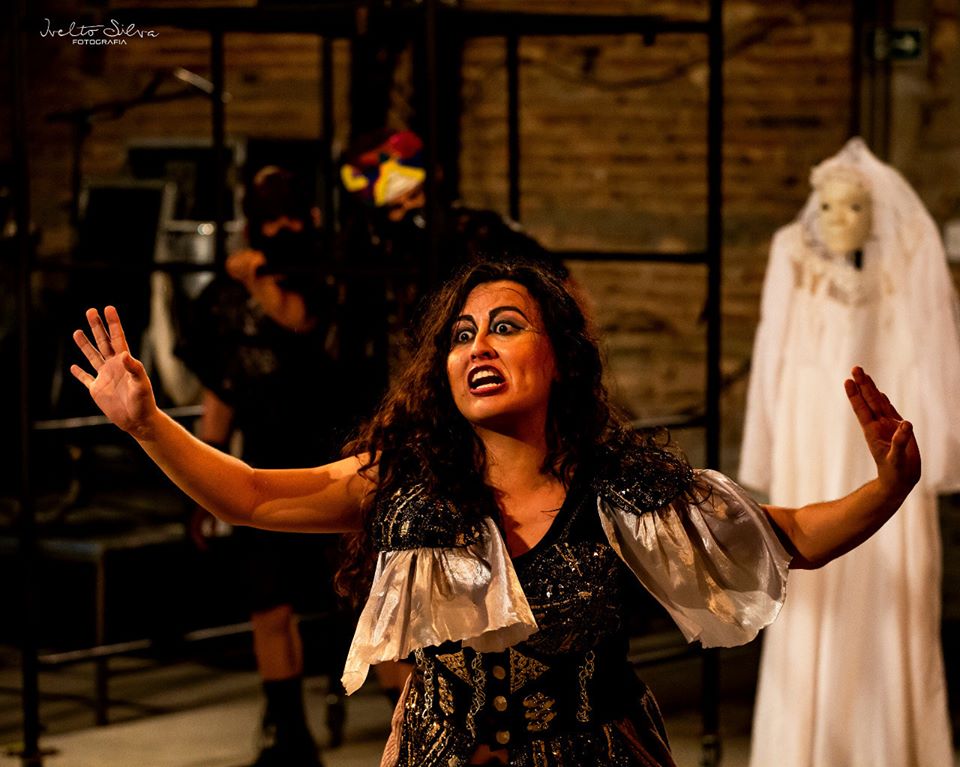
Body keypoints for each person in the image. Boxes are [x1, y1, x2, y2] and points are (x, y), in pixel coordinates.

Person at [70, 258, 919, 767]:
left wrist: (886, 487)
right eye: (461, 334)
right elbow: (252, 494)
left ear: (559, 358)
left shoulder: (620, 487)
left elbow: (790, 535)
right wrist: (148, 423)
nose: (477, 345)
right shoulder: (404, 480)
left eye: (505, 327)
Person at [741, 138, 960, 767]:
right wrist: (767, 449)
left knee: (895, 581)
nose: (840, 219)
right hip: (809, 437)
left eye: (855, 206)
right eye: (829, 206)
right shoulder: (791, 251)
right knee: (812, 584)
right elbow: (772, 349)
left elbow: (937, 349)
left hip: (885, 435)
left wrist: (935, 451)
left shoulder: (911, 251)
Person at [174, 166, 356, 767]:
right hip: (261, 466)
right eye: (268, 217)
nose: (280, 228)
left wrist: (259, 283)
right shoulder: (226, 302)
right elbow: (221, 389)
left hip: (335, 464)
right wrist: (201, 485)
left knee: (366, 602)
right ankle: (288, 736)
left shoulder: (330, 280)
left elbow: (303, 325)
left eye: (289, 215)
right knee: (268, 604)